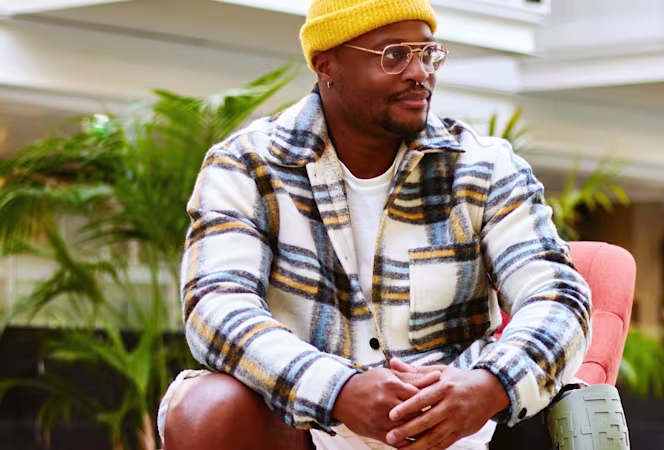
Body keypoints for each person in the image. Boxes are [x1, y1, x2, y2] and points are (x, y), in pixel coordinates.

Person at [157, 0, 592, 449]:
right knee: (206, 408)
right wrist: (338, 389)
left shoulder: (483, 166)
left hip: (459, 428)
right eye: (394, 55)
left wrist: (487, 385)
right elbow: (217, 306)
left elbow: (558, 296)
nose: (419, 73)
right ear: (326, 65)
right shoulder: (249, 165)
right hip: (311, 423)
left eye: (427, 53)